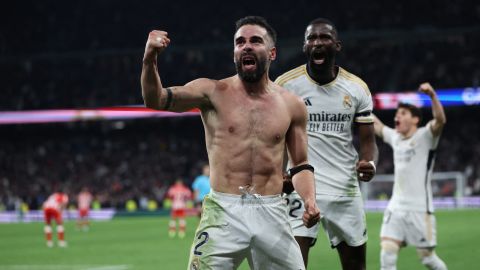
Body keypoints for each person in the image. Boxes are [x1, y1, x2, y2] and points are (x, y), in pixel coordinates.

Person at [141, 15, 320, 269]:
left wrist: (310, 199)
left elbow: (301, 164)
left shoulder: (292, 105)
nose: (246, 46)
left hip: (272, 212)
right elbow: (155, 99)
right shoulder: (211, 92)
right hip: (223, 212)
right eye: (240, 42)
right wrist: (149, 59)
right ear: (234, 52)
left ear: (272, 53)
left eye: (255, 41)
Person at [275, 18, 378, 269]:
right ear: (304, 46)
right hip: (299, 187)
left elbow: (368, 141)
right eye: (311, 38)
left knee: (356, 266)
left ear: (337, 45)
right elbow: (272, 136)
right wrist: (279, 174)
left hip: (344, 189)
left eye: (324, 38)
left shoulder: (356, 88)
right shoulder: (285, 85)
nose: (317, 43)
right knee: (292, 266)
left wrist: (369, 162)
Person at [373, 82, 447, 270]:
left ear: (415, 120)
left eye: (403, 113)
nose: (397, 116)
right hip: (396, 207)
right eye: (397, 113)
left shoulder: (426, 137)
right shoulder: (396, 138)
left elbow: (440, 120)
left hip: (420, 208)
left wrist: (432, 95)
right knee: (387, 251)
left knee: (428, 259)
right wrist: (360, 104)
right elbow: (378, 126)